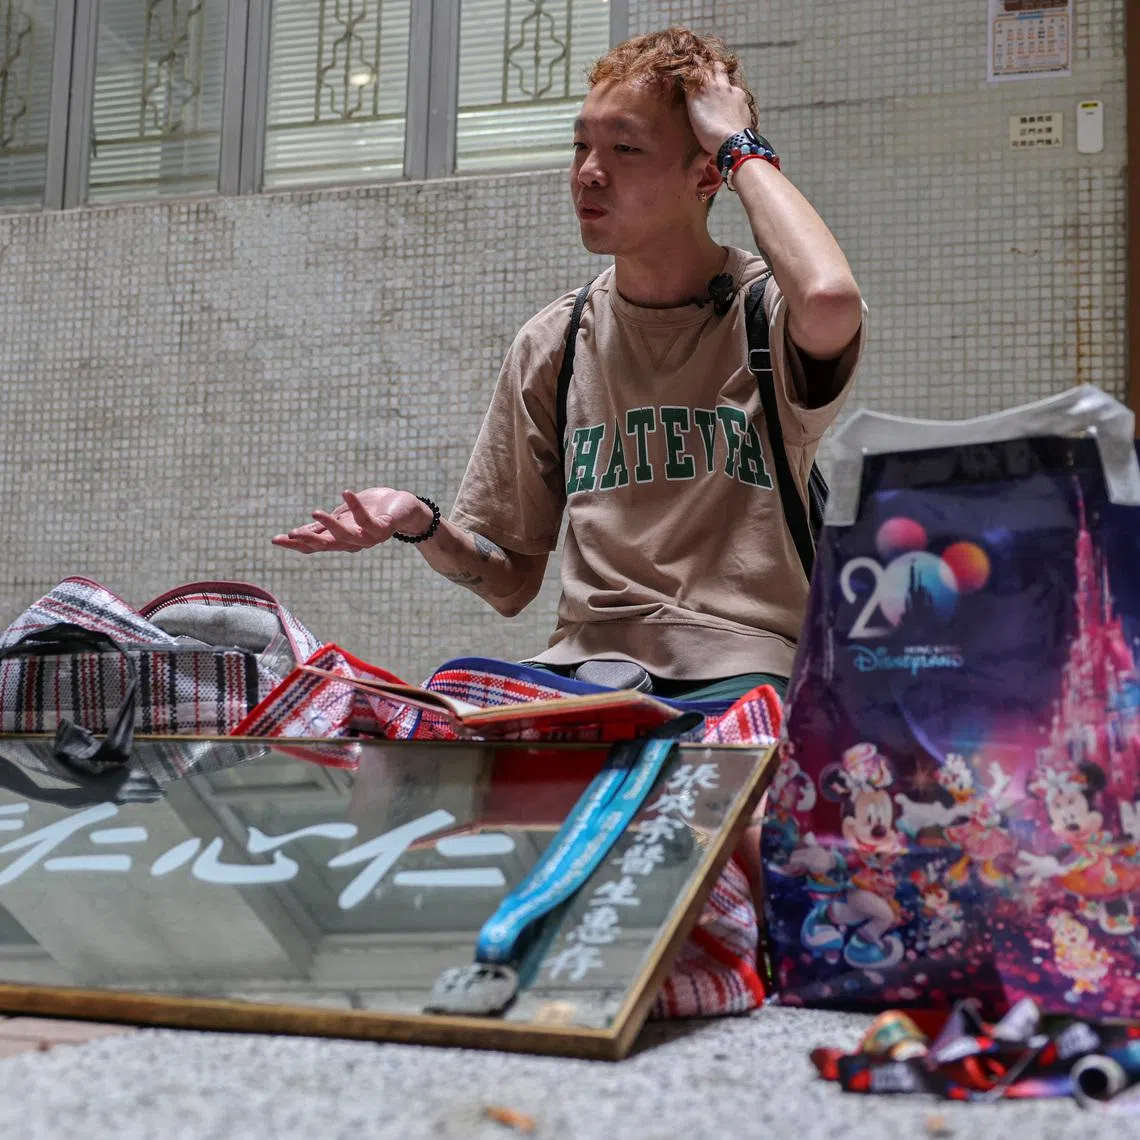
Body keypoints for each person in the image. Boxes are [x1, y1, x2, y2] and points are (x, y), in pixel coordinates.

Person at [273, 27, 866, 706]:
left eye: (626, 148)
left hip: (743, 673)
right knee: (420, 720)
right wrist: (421, 522)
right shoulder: (555, 341)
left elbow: (828, 296)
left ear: (705, 173)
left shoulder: (765, 313)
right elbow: (509, 583)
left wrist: (740, 147)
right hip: (583, 673)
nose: (588, 170)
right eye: (581, 144)